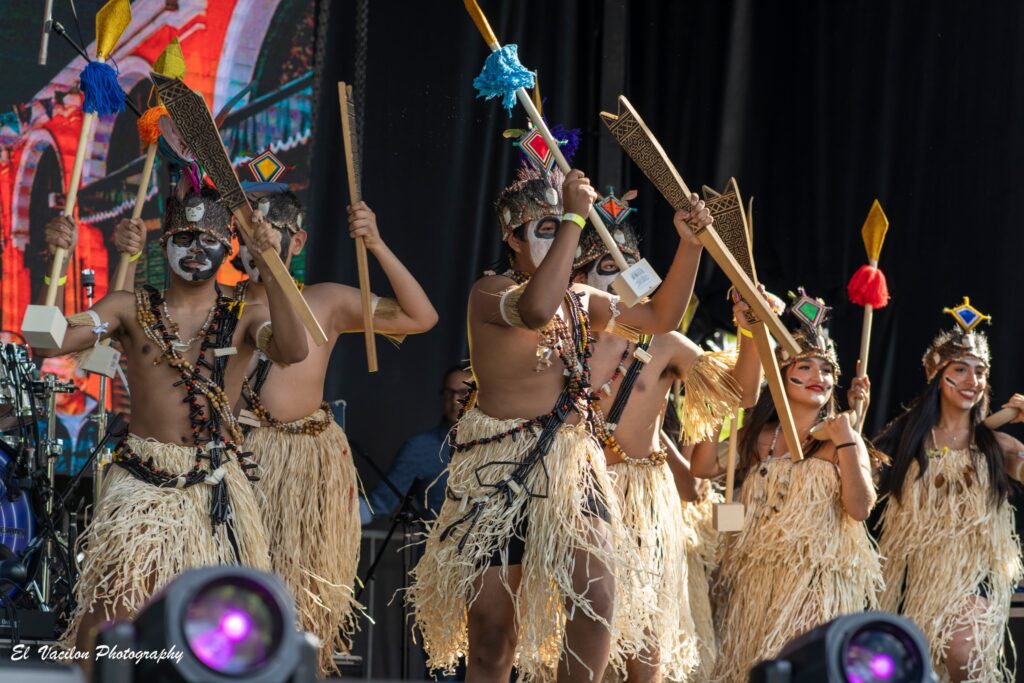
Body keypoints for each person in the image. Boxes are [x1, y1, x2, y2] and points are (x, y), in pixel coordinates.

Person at [119, 175, 436, 676]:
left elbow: (421, 317)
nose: (259, 243)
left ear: (298, 240)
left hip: (305, 466)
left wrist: (374, 243)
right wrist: (132, 258)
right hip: (232, 465)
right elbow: (137, 322)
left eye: (272, 231)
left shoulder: (327, 301)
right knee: (225, 598)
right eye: (248, 233)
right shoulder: (218, 301)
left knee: (298, 602)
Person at [409, 160, 712, 683]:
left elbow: (660, 318)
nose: (558, 236)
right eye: (543, 229)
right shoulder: (490, 293)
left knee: (597, 600)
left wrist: (691, 246)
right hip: (496, 470)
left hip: (572, 466)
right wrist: (574, 216)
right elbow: (534, 310)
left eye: (563, 227)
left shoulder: (582, 301)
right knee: (491, 639)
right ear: (513, 238)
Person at [39, 183, 308, 660]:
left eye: (207, 241)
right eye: (183, 238)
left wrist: (271, 266)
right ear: (163, 246)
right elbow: (47, 342)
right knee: (112, 604)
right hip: (142, 479)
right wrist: (54, 265)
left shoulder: (245, 312)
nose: (195, 251)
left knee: (212, 621)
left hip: (213, 484)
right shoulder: (128, 307)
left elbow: (294, 350)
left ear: (227, 248)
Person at [571, 198, 762, 682]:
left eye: (629, 266)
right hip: (574, 495)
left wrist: (752, 333)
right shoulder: (560, 336)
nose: (619, 277)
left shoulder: (666, 345)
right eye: (605, 266)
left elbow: (740, 393)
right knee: (579, 638)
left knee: (645, 647)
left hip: (641, 505)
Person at [691, 288, 878, 683]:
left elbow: (860, 510)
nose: (818, 377)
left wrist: (846, 441)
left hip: (811, 585)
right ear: (780, 372)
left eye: (826, 370)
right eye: (806, 366)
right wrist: (716, 406)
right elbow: (704, 465)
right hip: (750, 584)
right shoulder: (757, 437)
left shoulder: (839, 438)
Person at [875, 298, 1024, 682]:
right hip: (911, 578)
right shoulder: (904, 439)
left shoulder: (997, 447)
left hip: (973, 577)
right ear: (938, 376)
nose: (972, 381)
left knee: (964, 656)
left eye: (980, 372)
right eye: (961, 369)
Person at [361, 364, 473, 524]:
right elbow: (378, 504)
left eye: (464, 392)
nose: (455, 401)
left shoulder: (500, 445)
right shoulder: (420, 447)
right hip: (438, 546)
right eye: (449, 393)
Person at [39, 356, 100, 477]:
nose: (49, 383)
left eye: (59, 377)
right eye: (44, 375)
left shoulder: (104, 420)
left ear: (81, 383)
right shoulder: (33, 419)